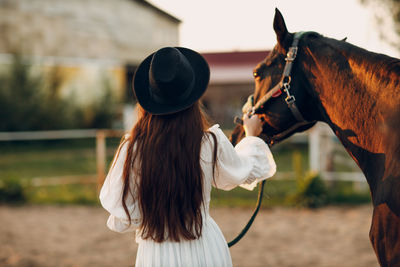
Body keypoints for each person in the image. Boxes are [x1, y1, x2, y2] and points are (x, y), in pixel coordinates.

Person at [99, 47, 276, 267]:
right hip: (205, 247)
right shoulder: (209, 143)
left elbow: (123, 217)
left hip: (156, 254)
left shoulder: (132, 150)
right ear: (192, 99)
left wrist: (157, 219)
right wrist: (251, 135)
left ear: (150, 100)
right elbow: (243, 169)